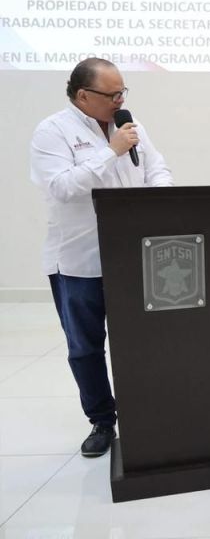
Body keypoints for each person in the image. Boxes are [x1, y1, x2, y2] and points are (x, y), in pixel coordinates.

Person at [30, 58, 173, 458]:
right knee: (85, 347)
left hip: (132, 255)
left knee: (140, 340)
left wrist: (163, 197)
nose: (120, 100)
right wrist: (110, 152)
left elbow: (157, 169)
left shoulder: (130, 125)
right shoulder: (52, 132)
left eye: (123, 92)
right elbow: (62, 187)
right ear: (83, 95)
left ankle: (145, 412)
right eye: (112, 94)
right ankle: (102, 420)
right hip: (79, 261)